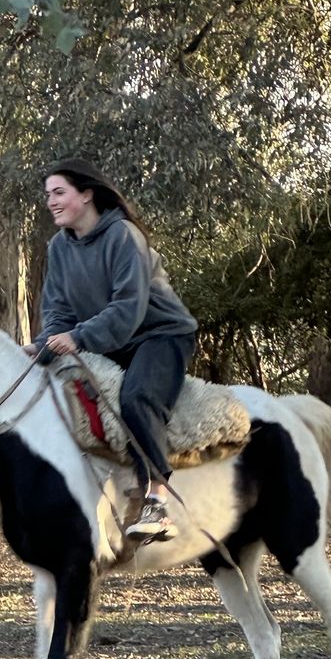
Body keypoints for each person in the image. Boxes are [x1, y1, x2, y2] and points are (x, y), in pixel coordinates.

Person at [28, 157, 197, 541]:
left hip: (158, 335)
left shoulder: (123, 235)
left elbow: (128, 308)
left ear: (86, 194)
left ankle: (158, 502)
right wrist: (42, 348)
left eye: (59, 193)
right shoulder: (58, 248)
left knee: (136, 398)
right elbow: (57, 311)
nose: (51, 202)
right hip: (109, 339)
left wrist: (78, 337)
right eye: (48, 195)